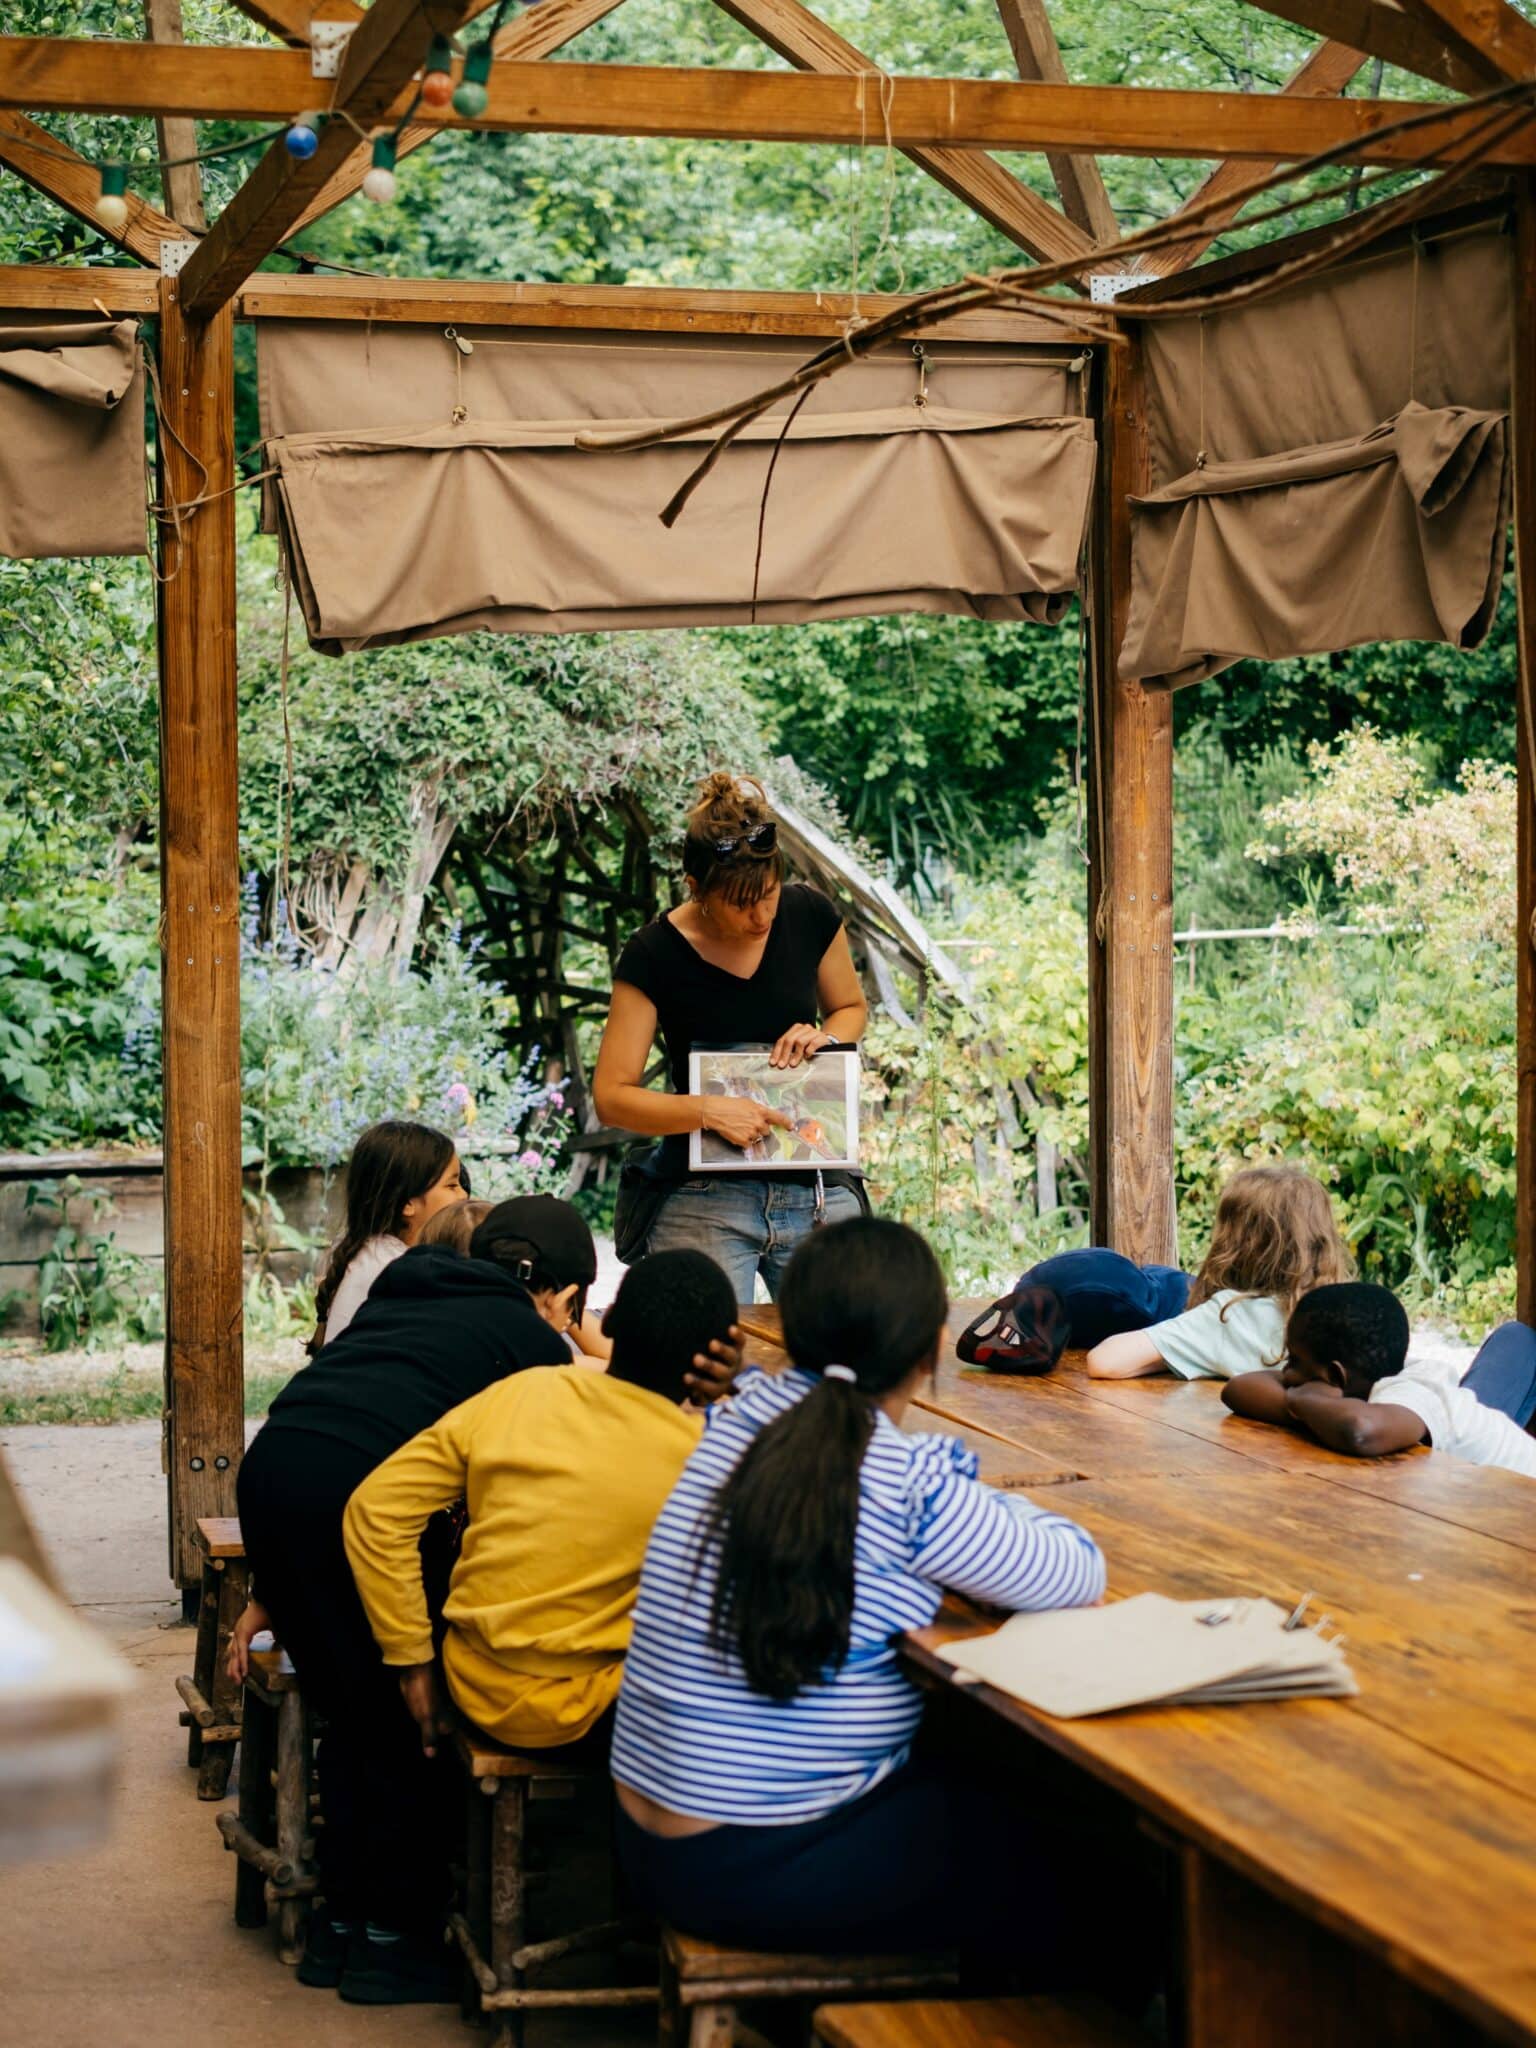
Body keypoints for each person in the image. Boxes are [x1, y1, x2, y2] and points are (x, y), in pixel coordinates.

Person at [610, 1216, 1107, 1961]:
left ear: (793, 1329)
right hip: (751, 1863)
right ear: (933, 1346)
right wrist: (984, 1500)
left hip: (640, 1838)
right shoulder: (912, 1482)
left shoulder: (737, 1418)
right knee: (1098, 1875)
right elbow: (1075, 1571)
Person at [231, 1197, 598, 2005]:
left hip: (272, 1475)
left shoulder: (409, 1292)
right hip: (354, 1503)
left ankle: (343, 1924)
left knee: (354, 1712)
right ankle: (391, 1942)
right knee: (411, 1723)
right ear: (559, 1294)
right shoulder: (529, 1342)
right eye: (574, 1308)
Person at [343, 1250, 739, 1759]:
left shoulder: (523, 1391)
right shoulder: (703, 1463)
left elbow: (376, 1508)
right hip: (589, 1709)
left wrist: (411, 1658)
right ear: (716, 1359)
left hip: (471, 1682)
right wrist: (735, 1394)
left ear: (610, 1321)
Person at [593, 771, 869, 1302]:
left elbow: (851, 1009)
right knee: (704, 1366)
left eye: (767, 895)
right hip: (702, 1196)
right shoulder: (653, 953)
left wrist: (825, 1037)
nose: (761, 915)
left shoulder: (809, 913)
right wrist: (708, 1111)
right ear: (696, 890)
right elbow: (612, 1096)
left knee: (849, 1360)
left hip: (814, 1185)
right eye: (741, 903)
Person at [1222, 1282, 1536, 1477]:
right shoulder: (1365, 1381)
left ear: (1335, 1375)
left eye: (1294, 1361)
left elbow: (1361, 1431)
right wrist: (1308, 1405)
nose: (1286, 1373)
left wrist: (1300, 1401)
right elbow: (1238, 1389)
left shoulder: (1417, 1390)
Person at [1086, 1165, 1351, 1380]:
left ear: (1235, 1244)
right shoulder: (1350, 1313)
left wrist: (1175, 1356)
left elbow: (1105, 1362)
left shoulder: (1231, 1315)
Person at [313, 1119, 467, 1347]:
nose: (464, 1195)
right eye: (452, 1186)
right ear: (407, 1204)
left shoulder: (370, 1252)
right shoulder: (398, 1271)